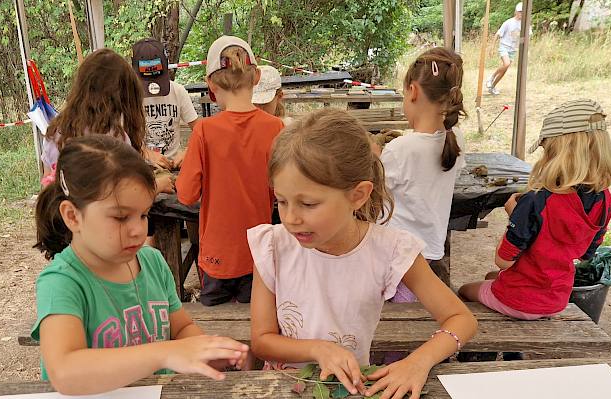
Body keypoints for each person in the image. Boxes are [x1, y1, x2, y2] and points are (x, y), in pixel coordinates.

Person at [249, 108, 477, 399]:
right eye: (281, 201)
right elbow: (262, 340)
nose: (291, 218)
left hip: (351, 389)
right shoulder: (273, 247)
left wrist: (418, 362)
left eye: (308, 204)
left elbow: (462, 319)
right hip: (283, 388)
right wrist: (318, 349)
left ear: (357, 195)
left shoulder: (390, 249)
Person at [32, 135, 248, 395]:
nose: (138, 230)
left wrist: (206, 350)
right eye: (121, 217)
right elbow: (65, 372)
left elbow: (180, 327)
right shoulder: (62, 282)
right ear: (73, 216)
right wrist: (165, 353)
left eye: (144, 214)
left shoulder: (152, 262)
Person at [459, 99, 611, 320]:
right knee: (491, 277)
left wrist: (517, 216)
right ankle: (513, 352)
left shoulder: (536, 200)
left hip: (521, 300)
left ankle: (473, 350)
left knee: (465, 290)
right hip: (556, 298)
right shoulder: (606, 200)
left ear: (558, 152)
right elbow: (585, 255)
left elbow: (503, 261)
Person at [176, 36, 285, 306]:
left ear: (211, 84)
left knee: (216, 333)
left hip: (216, 258)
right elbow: (280, 192)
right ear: (256, 76)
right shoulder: (276, 128)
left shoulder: (204, 131)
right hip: (258, 254)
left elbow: (187, 195)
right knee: (256, 326)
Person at [380, 47, 466, 290]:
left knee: (399, 305)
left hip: (397, 254)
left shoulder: (400, 149)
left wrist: (376, 158)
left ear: (413, 91)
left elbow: (376, 191)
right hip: (429, 248)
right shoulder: (456, 138)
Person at [39, 48, 173, 194]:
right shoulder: (114, 138)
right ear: (123, 97)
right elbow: (123, 197)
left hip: (63, 214)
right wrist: (156, 186)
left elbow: (48, 185)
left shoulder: (55, 132)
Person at [131, 38, 200, 170]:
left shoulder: (178, 91)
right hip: (141, 170)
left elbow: (199, 129)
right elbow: (119, 141)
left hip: (173, 167)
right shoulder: (128, 96)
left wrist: (187, 151)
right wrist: (145, 152)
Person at [486, 2, 528, 95]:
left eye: (523, 12)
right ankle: (491, 77)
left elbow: (527, 36)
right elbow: (497, 34)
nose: (521, 13)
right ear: (516, 12)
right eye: (520, 11)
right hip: (504, 46)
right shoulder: (509, 22)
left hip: (513, 49)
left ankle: (492, 87)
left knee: (505, 69)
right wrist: (492, 48)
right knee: (506, 63)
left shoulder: (524, 24)